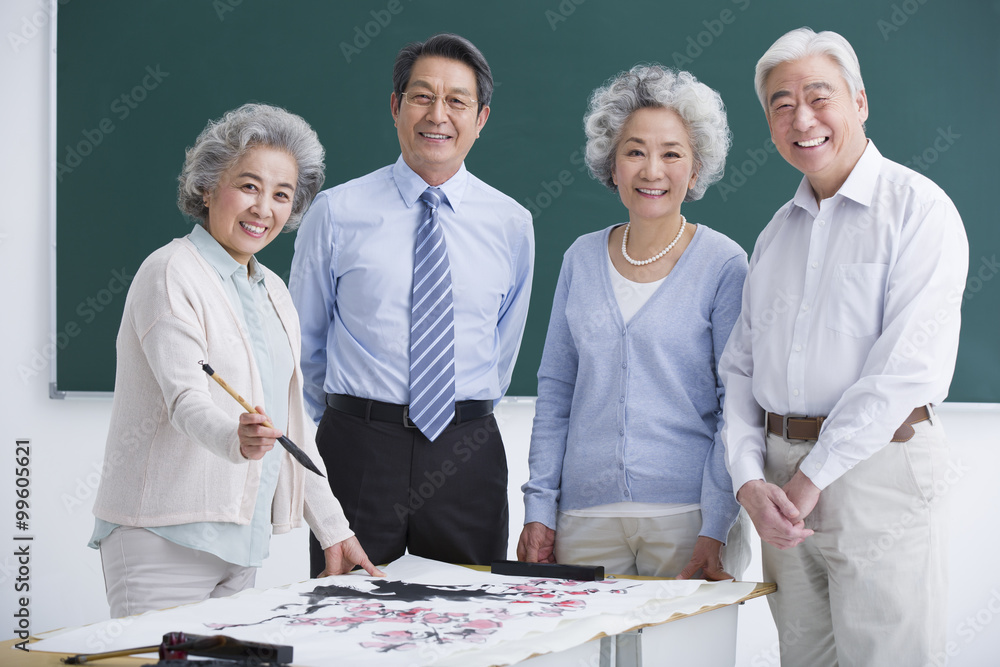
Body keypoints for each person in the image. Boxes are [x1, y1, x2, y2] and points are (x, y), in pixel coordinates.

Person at [719, 28, 968, 666]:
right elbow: (742, 371)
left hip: (877, 473)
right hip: (779, 482)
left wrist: (810, 480)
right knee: (803, 659)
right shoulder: (776, 233)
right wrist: (750, 479)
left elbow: (902, 373)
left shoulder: (919, 211)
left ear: (859, 101)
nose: (801, 118)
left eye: (818, 96)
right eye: (780, 104)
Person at [89, 103, 382, 618]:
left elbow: (292, 431)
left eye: (282, 195)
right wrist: (236, 437)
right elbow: (186, 398)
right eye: (249, 186)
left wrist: (335, 530)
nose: (264, 208)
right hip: (162, 535)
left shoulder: (272, 290)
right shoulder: (170, 271)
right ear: (207, 186)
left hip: (242, 541)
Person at [289, 33, 534, 575]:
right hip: (357, 448)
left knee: (471, 628)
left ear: (482, 118)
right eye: (422, 96)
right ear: (397, 107)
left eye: (456, 101)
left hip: (467, 452)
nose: (437, 114)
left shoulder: (512, 224)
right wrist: (343, 426)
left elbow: (501, 345)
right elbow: (300, 345)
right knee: (345, 626)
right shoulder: (335, 212)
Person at [518, 65, 750, 581]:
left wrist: (718, 521)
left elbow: (736, 406)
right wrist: (539, 507)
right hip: (583, 518)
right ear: (612, 166)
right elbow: (556, 394)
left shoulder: (724, 265)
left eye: (672, 153)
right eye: (635, 151)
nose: (652, 170)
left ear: (695, 171)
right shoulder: (580, 258)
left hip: (689, 519)